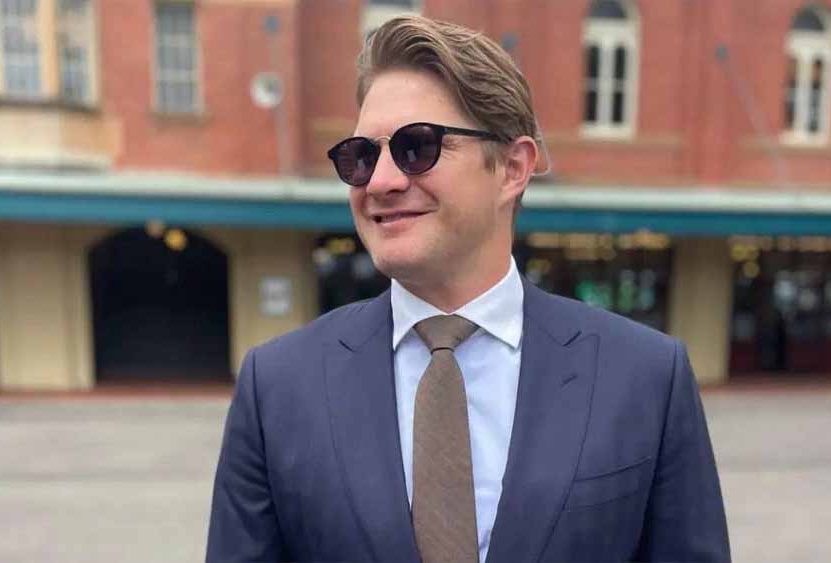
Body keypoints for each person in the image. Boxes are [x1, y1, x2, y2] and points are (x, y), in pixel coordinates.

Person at [207, 15, 730, 563]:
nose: (380, 181)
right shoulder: (276, 386)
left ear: (512, 168)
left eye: (416, 147)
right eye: (361, 157)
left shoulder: (647, 376)